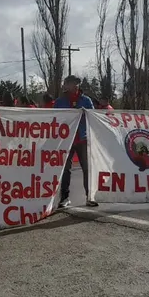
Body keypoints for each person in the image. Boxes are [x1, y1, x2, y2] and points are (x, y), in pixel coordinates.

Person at [53, 75, 97, 208]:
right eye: (72, 83)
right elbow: (55, 119)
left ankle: (90, 196)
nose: (75, 85)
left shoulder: (86, 100)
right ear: (66, 85)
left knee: (87, 168)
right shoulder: (60, 102)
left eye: (77, 83)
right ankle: (65, 197)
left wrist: (85, 114)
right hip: (66, 140)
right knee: (66, 169)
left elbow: (94, 117)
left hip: (83, 138)